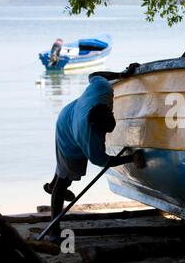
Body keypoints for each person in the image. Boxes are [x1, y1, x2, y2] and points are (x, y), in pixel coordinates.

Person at [43, 63, 144, 242]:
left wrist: (122, 75)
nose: (104, 136)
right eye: (102, 133)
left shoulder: (102, 90)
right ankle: (53, 230)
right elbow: (105, 161)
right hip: (67, 129)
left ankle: (52, 185)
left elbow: (95, 74)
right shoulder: (88, 136)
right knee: (64, 179)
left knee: (63, 169)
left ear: (107, 108)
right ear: (94, 128)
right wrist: (131, 158)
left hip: (70, 111)